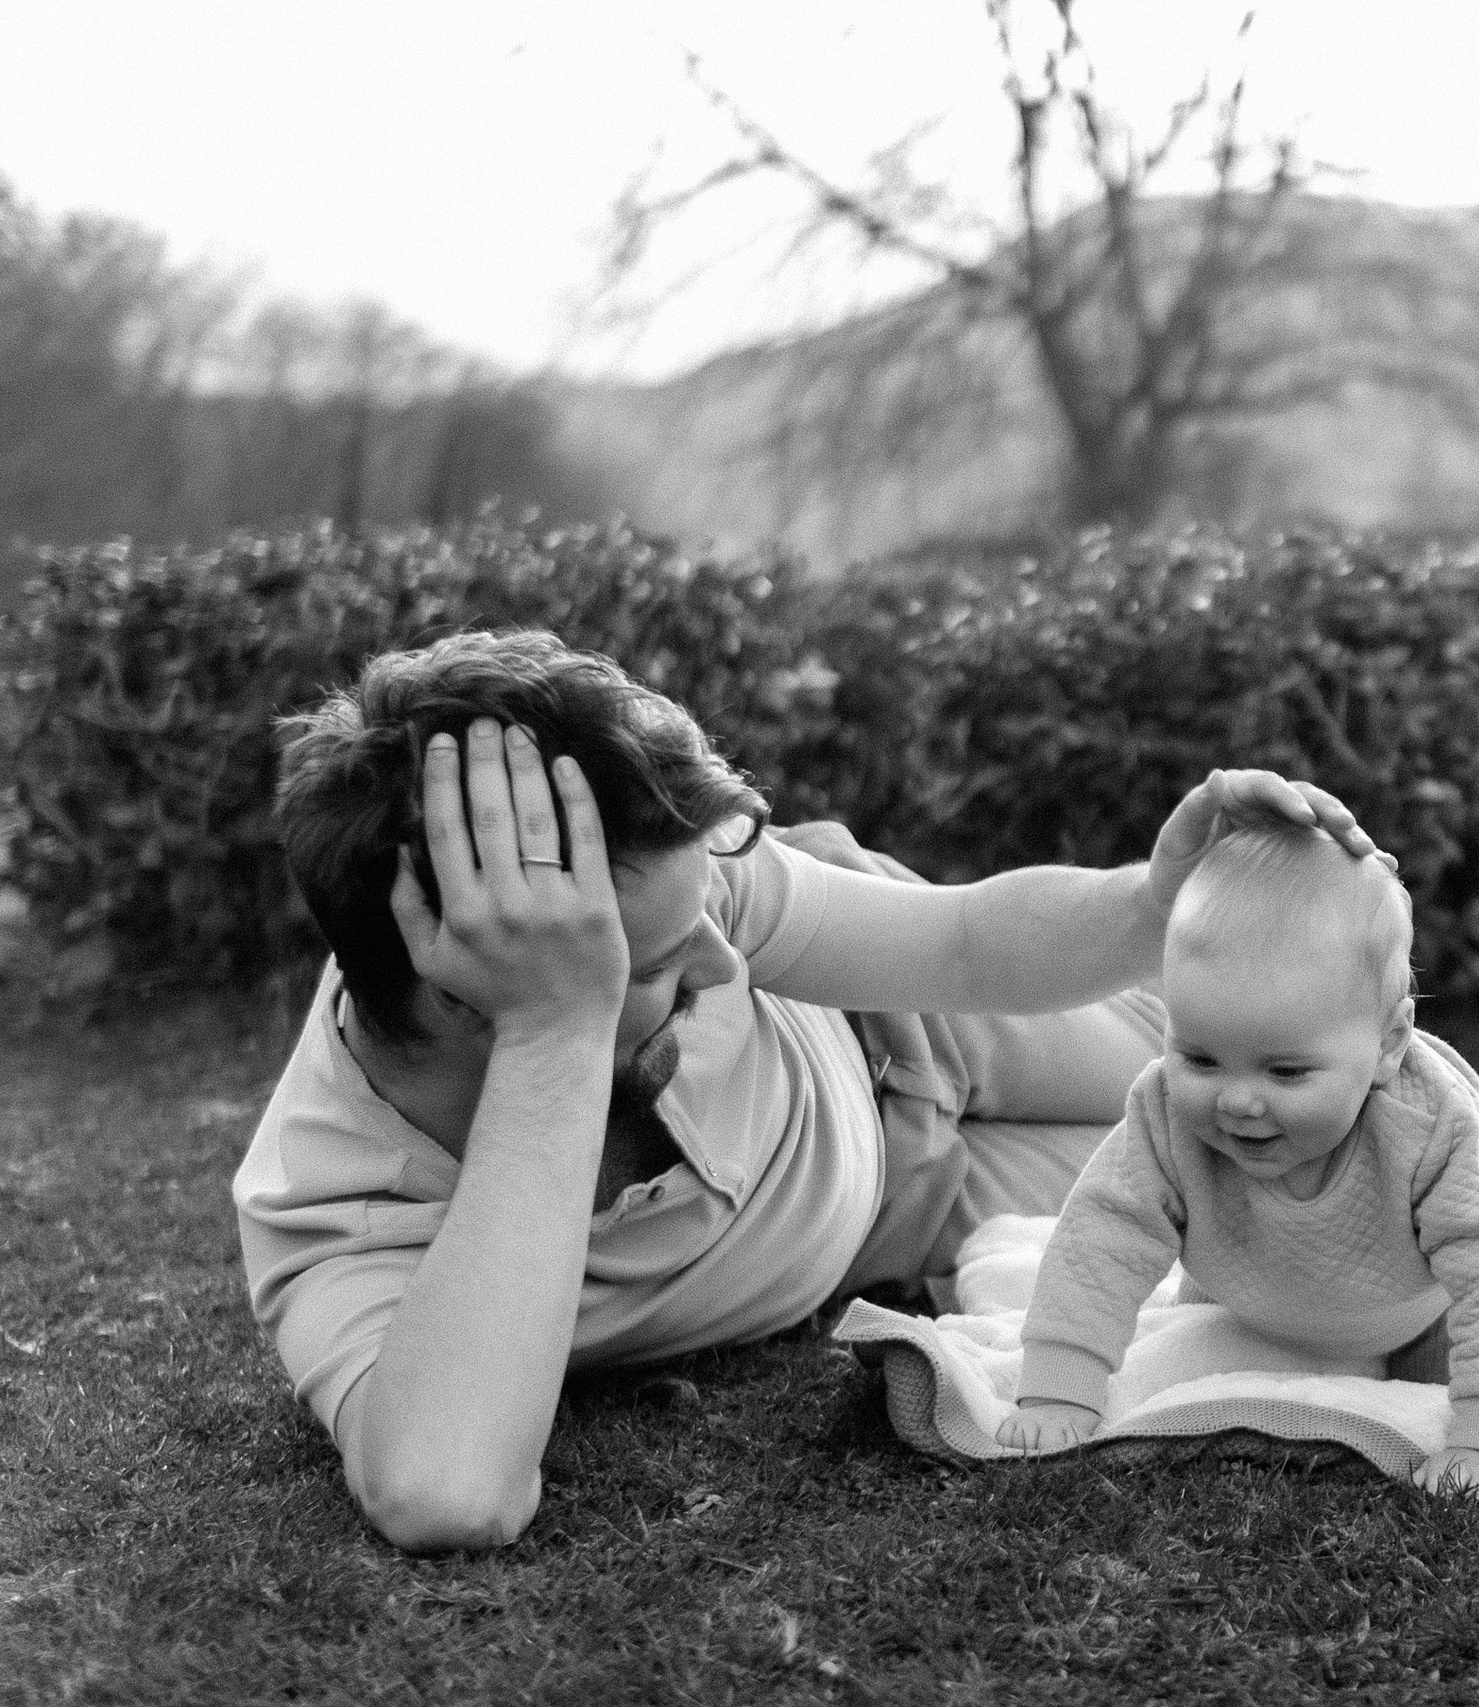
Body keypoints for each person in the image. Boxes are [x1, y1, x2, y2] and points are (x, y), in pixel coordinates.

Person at [232, 630, 1380, 1552]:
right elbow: (449, 1494)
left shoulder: (647, 891)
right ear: (471, 993)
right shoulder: (338, 1209)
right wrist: (555, 1034)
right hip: (919, 1217)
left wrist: (1153, 903)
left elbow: (967, 946)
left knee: (1321, 1097)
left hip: (910, 1028)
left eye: (703, 920)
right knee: (1262, 1191)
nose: (723, 966)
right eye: (657, 967)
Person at [992, 811, 1479, 1497]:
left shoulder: (1434, 1125)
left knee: (1433, 1382)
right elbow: (1103, 1232)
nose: (1236, 1100)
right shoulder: (1167, 1114)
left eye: (1285, 1072)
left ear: (1387, 1044)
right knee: (1202, 1351)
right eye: (1199, 1056)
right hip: (1238, 1295)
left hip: (1413, 1315)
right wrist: (1061, 1388)